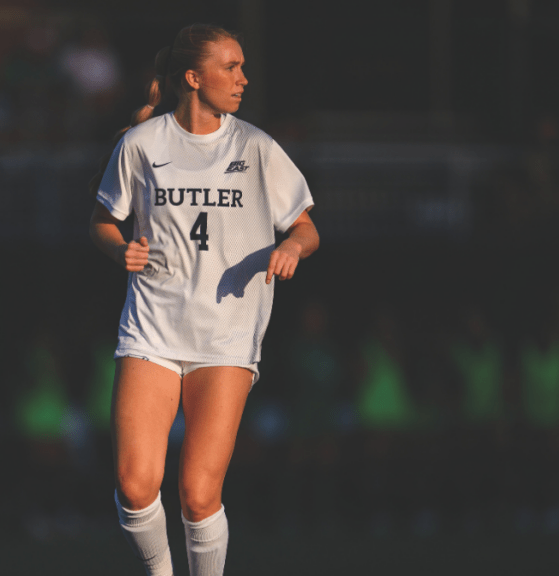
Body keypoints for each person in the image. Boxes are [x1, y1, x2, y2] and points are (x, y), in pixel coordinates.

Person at [88, 23, 319, 576]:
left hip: (226, 335)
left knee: (196, 493)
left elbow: (308, 228)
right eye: (230, 67)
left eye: (242, 66)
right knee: (135, 483)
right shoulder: (141, 144)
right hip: (152, 329)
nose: (243, 78)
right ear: (194, 77)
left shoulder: (256, 146)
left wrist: (291, 245)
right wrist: (119, 248)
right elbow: (102, 221)